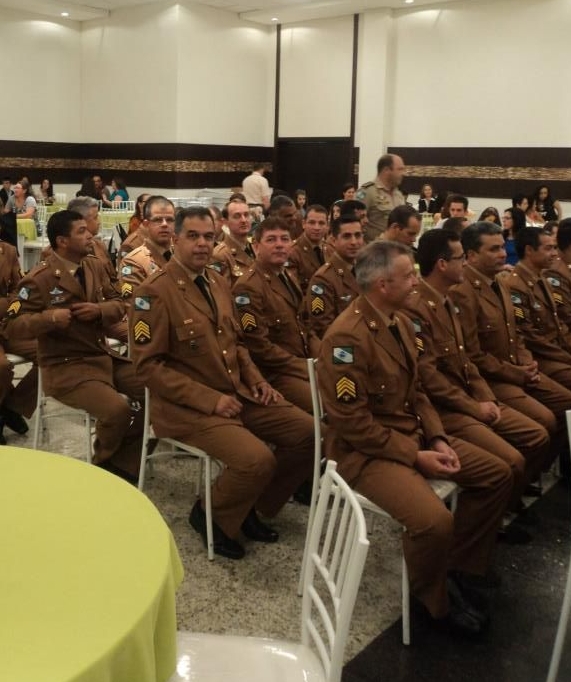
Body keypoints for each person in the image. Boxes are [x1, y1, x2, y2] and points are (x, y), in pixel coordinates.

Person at [318, 239, 512, 638]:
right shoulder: (347, 339)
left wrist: (437, 438)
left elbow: (418, 389)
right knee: (434, 521)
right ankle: (431, 601)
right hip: (365, 453)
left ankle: (458, 566)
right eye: (408, 276)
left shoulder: (400, 321)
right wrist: (415, 455)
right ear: (383, 285)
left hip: (413, 434)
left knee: (498, 474)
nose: (416, 282)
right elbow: (352, 422)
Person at [130, 206, 314, 560]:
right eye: (193, 236)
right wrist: (210, 400)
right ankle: (210, 515)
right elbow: (148, 367)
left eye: (208, 237)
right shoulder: (153, 293)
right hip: (188, 408)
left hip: (236, 391)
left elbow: (237, 343)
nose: (202, 244)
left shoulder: (217, 282)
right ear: (176, 239)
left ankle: (251, 506)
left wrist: (256, 380)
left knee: (307, 432)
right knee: (257, 459)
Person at [403, 229, 550, 534]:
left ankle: (495, 516)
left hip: (468, 395)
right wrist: (475, 407)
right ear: (443, 264)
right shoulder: (418, 309)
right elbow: (429, 379)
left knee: (535, 437)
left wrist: (486, 398)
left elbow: (465, 359)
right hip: (444, 408)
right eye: (461, 258)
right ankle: (471, 541)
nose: (465, 264)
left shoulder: (445, 301)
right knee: (510, 462)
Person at [4, 210, 144, 482]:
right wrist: (49, 319)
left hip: (101, 356)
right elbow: (11, 325)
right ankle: (104, 467)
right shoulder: (39, 278)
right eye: (81, 231)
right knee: (117, 411)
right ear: (62, 241)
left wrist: (100, 310)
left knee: (156, 392)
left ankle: (122, 462)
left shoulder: (94, 266)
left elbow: (121, 302)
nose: (90, 235)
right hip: (65, 367)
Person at [451, 221, 571, 483]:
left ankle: (532, 475)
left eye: (502, 248)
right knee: (547, 421)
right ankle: (518, 484)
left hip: (518, 366)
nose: (503, 254)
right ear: (471, 255)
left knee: (562, 405)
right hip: (492, 377)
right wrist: (517, 373)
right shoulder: (463, 292)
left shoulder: (499, 283)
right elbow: (472, 354)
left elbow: (516, 334)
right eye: (493, 249)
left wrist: (526, 362)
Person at [233, 217, 319, 414]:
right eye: (271, 239)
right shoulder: (248, 287)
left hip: (301, 364)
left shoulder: (288, 276)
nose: (279, 245)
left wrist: (322, 359)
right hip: (275, 373)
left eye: (285, 239)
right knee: (327, 403)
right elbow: (259, 348)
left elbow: (307, 328)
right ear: (256, 247)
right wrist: (306, 368)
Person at [507, 227, 571, 394]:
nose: (554, 253)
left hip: (558, 350)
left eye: (555, 248)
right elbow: (530, 336)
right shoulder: (516, 286)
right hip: (541, 357)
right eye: (548, 248)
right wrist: (566, 356)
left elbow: (559, 323)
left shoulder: (540, 277)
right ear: (529, 250)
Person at [305, 214, 363, 339]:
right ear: (334, 240)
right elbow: (323, 327)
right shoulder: (323, 280)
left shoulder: (366, 270)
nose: (354, 242)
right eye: (347, 236)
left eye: (358, 235)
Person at [119, 196, 175, 301]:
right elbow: (136, 305)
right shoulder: (134, 261)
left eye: (170, 220)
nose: (164, 224)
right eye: (158, 220)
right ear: (146, 224)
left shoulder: (181, 255)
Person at [356, 153, 405, 242]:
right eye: (400, 169)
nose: (403, 173)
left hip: (395, 247)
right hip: (374, 247)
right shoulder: (366, 192)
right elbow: (354, 223)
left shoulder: (398, 194)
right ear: (386, 170)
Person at [286, 204, 331, 294]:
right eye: (312, 223)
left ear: (327, 226)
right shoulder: (292, 252)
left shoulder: (331, 249)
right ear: (303, 224)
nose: (316, 228)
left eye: (321, 223)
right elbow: (294, 291)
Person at [210, 196, 256, 284]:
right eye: (237, 216)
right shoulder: (220, 255)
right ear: (225, 222)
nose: (243, 220)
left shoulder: (256, 247)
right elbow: (222, 290)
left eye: (246, 215)